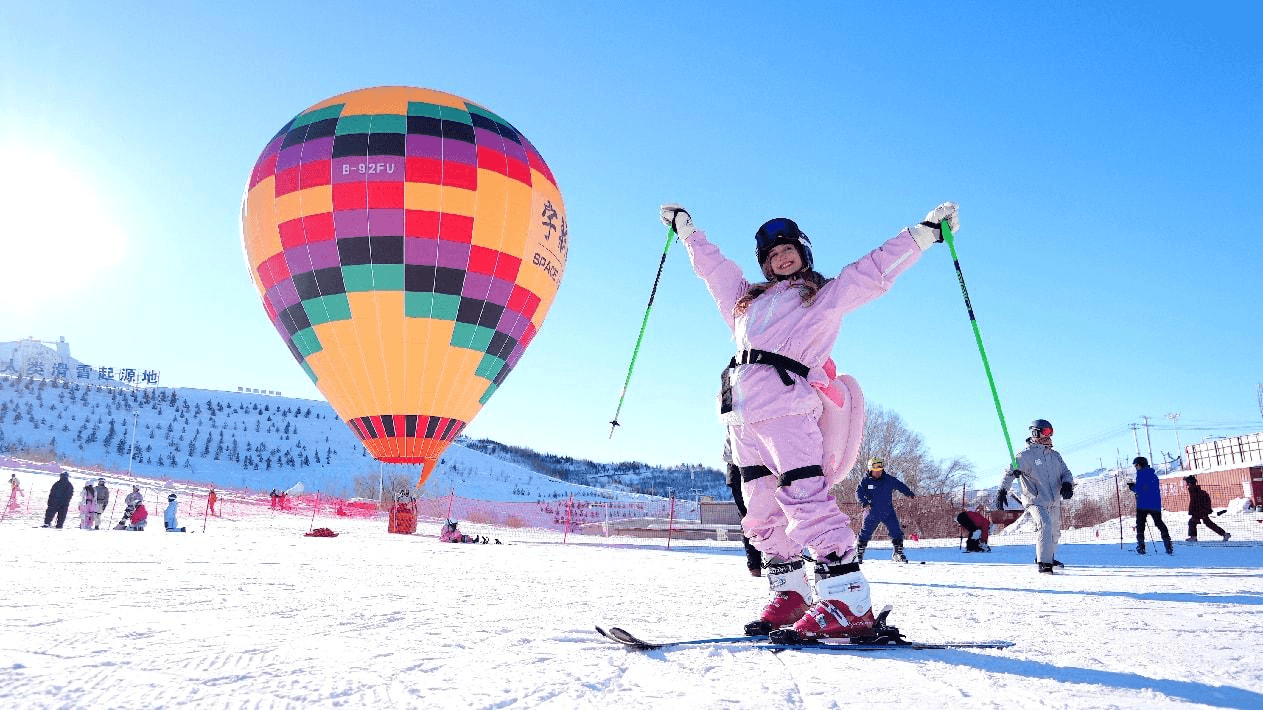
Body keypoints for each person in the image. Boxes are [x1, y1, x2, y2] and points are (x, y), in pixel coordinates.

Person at [662, 200, 957, 642]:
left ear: (804, 254)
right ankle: (791, 592)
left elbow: (873, 271)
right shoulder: (745, 303)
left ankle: (848, 600)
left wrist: (923, 233)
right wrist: (688, 233)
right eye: (772, 255)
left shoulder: (821, 298)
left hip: (789, 410)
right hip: (742, 419)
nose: (781, 258)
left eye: (789, 250)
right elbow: (715, 271)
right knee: (760, 509)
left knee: (805, 498)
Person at [996, 419, 1074, 574]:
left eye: (1051, 432)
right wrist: (1002, 491)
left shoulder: (1055, 455)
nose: (1049, 435)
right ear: (1035, 433)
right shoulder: (1025, 455)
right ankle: (1044, 563)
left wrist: (1067, 483)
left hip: (1054, 499)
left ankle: (1047, 556)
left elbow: (1066, 472)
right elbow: (1009, 472)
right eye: (1046, 432)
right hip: (1035, 499)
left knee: (1055, 532)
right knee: (1045, 525)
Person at [854, 456, 916, 563]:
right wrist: (864, 502)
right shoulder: (865, 481)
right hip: (872, 512)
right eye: (875, 471)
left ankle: (898, 553)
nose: (878, 473)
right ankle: (858, 554)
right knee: (865, 533)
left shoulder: (888, 479)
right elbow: (858, 493)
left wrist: (908, 493)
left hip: (888, 512)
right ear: (870, 470)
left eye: (880, 470)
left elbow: (899, 485)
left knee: (896, 531)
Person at [724, 437, 763, 576]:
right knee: (755, 517)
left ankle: (756, 564)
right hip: (750, 463)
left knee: (749, 517)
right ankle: (760, 563)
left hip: (739, 465)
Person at [1128, 456, 1173, 554]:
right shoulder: (1153, 475)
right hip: (1154, 503)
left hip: (1143, 504)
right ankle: (1168, 543)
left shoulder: (1141, 475)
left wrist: (1132, 487)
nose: (1136, 467)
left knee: (1140, 525)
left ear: (1141, 465)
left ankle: (1141, 546)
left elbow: (1140, 489)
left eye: (1137, 465)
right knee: (1159, 523)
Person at [1184, 474, 1230, 542]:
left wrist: (1193, 511)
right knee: (1207, 523)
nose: (1186, 485)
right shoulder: (1196, 490)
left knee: (1193, 522)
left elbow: (1194, 503)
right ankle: (1224, 534)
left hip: (1199, 511)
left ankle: (1193, 537)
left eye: (1187, 483)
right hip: (1201, 510)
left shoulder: (1194, 491)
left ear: (1190, 483)